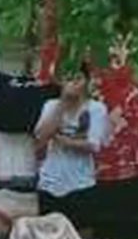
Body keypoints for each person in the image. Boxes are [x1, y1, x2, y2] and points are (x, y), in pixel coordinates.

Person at [33, 61, 111, 227]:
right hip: (50, 183)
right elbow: (41, 138)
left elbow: (92, 145)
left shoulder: (96, 109)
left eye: (78, 78)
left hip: (81, 183)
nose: (74, 83)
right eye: (68, 79)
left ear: (87, 81)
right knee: (48, 236)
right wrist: (63, 103)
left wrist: (62, 140)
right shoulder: (51, 106)